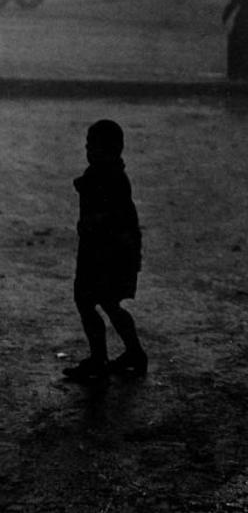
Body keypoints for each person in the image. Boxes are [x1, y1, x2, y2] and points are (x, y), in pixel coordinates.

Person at [63, 120, 146, 380]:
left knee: (91, 302)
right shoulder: (109, 174)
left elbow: (112, 216)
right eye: (89, 146)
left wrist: (92, 223)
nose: (90, 151)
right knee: (107, 303)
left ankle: (102, 358)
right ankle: (132, 352)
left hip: (104, 253)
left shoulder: (107, 177)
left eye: (94, 146)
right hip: (107, 252)